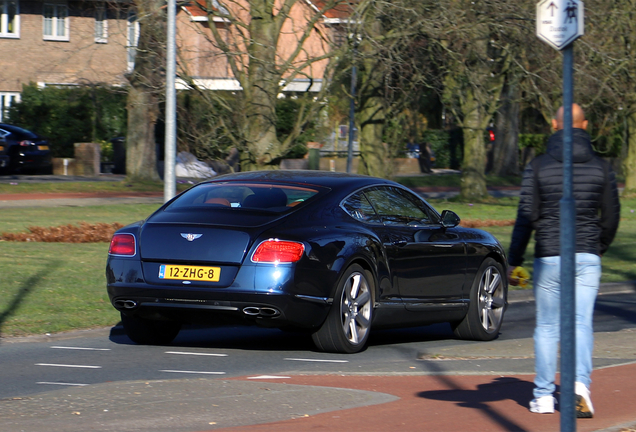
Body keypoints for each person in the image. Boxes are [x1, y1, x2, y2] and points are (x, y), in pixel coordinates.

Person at [507, 104, 620, 418]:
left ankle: (543, 395)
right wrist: (598, 247)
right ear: (584, 125)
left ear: (554, 126)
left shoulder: (538, 165)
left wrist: (513, 258)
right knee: (581, 323)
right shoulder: (602, 167)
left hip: (550, 255)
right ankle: (580, 385)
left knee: (546, 327)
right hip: (586, 254)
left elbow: (526, 216)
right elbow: (611, 216)